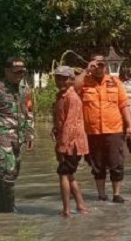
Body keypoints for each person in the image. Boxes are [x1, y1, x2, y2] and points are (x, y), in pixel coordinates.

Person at [0, 57, 36, 213]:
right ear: (7, 71)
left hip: (18, 137)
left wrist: (30, 135)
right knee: (8, 171)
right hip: (1, 134)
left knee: (12, 172)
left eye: (22, 72)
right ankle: (9, 209)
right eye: (16, 72)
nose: (19, 75)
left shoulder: (25, 89)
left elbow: (29, 113)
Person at [79, 53, 131, 204]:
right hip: (92, 131)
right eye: (95, 64)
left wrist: (129, 125)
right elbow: (72, 89)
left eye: (101, 64)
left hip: (114, 130)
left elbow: (124, 104)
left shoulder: (115, 82)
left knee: (116, 163)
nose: (98, 68)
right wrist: (85, 70)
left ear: (105, 66)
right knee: (97, 165)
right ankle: (101, 195)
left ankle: (116, 194)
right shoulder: (84, 82)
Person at [51, 66, 89, 217]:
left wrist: (61, 147)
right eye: (57, 78)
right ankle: (81, 205)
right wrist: (55, 129)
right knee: (69, 174)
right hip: (65, 141)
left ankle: (66, 210)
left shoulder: (72, 98)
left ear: (72, 80)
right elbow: (60, 120)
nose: (60, 81)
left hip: (72, 144)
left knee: (63, 174)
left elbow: (70, 125)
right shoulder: (60, 96)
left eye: (64, 78)